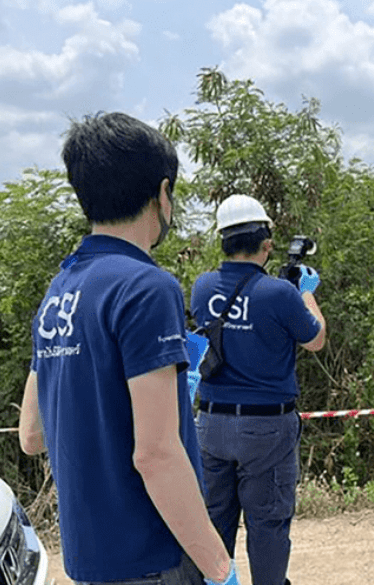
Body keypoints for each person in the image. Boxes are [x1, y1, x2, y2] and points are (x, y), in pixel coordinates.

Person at [17, 112, 238, 585]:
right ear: (162, 195)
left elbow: (31, 435)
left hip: (90, 559)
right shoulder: (146, 287)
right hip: (152, 557)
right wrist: (221, 569)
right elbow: (156, 455)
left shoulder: (59, 289)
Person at [190, 194, 326, 585]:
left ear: (223, 242)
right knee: (268, 525)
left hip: (211, 424)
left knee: (215, 521)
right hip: (266, 428)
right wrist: (305, 291)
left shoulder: (202, 288)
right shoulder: (280, 294)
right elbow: (314, 339)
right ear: (267, 245)